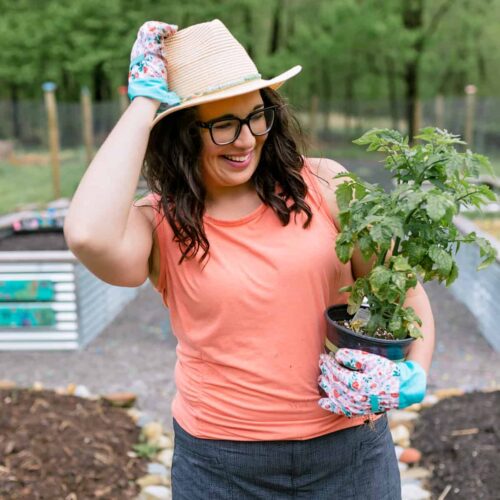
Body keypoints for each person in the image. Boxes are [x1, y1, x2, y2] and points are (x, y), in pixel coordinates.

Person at [64, 19, 435, 499]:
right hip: (222, 467)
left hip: (351, 455)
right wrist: (144, 104)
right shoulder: (158, 223)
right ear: (180, 133)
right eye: (222, 125)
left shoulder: (325, 186)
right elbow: (87, 234)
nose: (245, 140)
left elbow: (404, 293)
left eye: (257, 116)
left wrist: (414, 373)